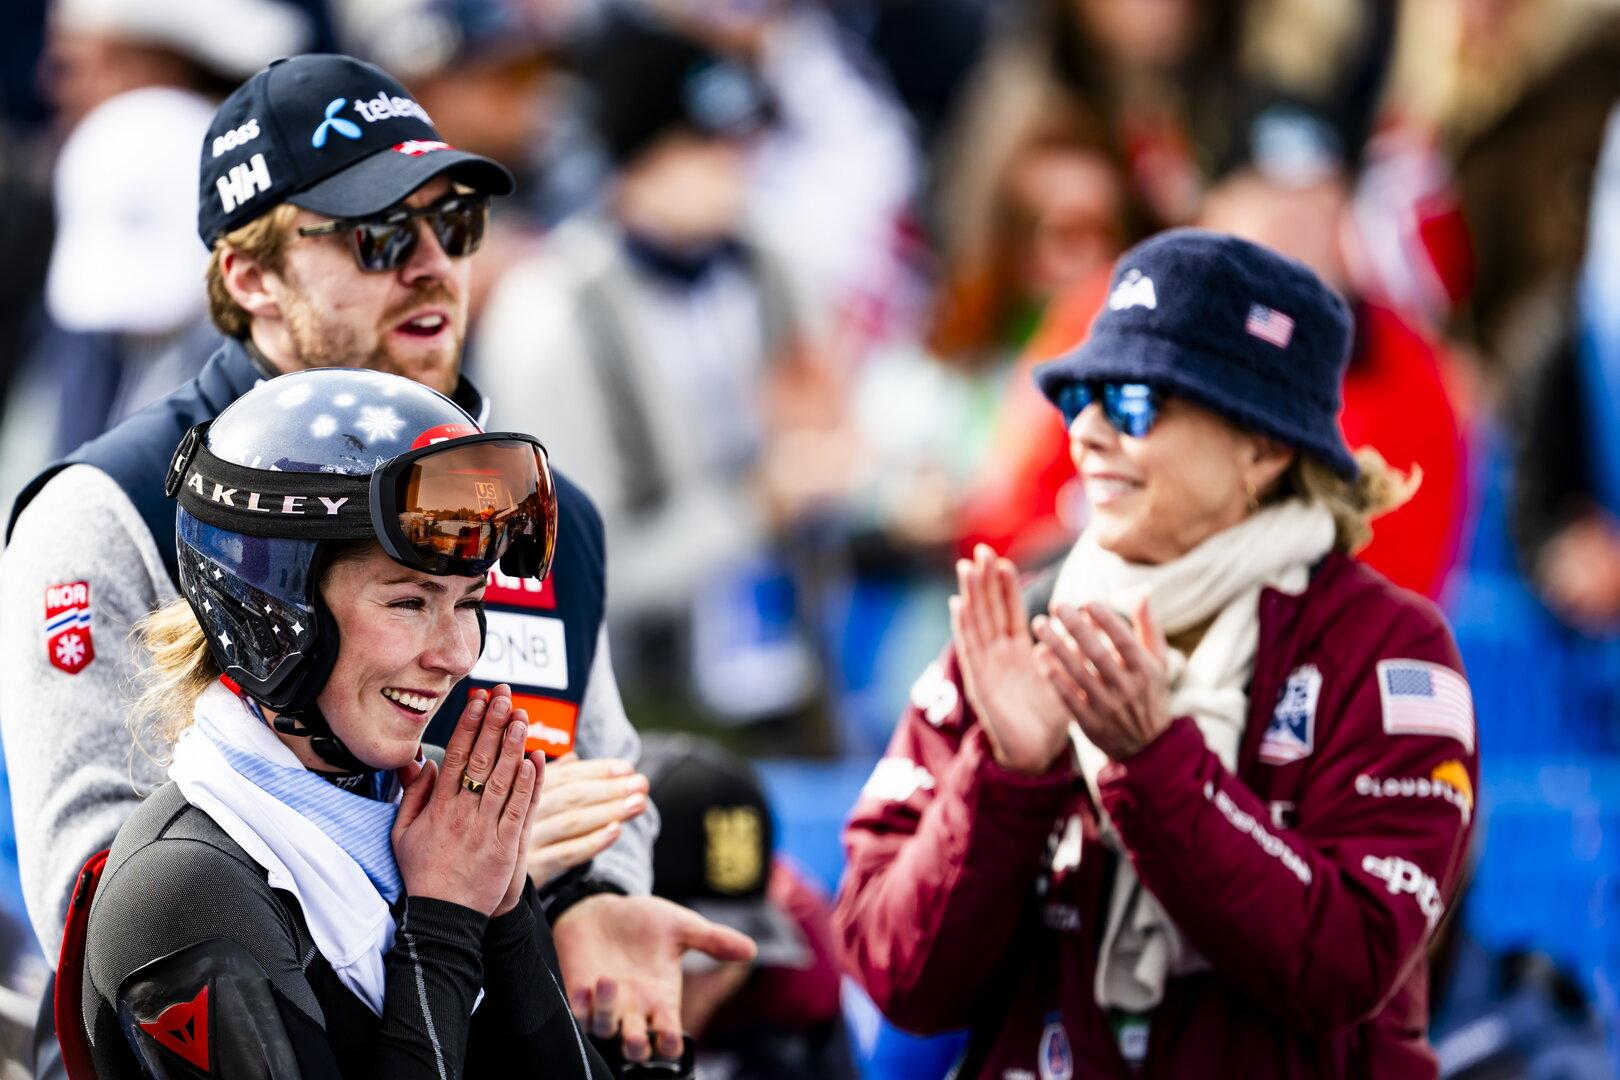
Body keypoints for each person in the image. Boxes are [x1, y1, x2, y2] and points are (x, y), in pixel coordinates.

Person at [0, 52, 747, 1074]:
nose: (434, 262)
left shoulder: (532, 503)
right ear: (249, 277)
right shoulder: (110, 506)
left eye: (457, 226)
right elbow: (103, 903)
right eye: (381, 235)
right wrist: (456, 884)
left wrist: (595, 905)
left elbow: (597, 784)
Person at [835, 230, 1478, 1077]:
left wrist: (1157, 764)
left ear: (1264, 447)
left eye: (1136, 402)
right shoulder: (1021, 625)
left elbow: (1348, 965)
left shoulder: (1387, 648)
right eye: (1082, 399)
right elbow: (901, 980)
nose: (1091, 433)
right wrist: (1007, 775)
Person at [77, 367, 612, 1077]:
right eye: (409, 604)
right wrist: (445, 923)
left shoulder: (423, 820)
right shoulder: (180, 891)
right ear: (269, 611)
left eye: (470, 603)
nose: (457, 655)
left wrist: (506, 907)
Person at [639, 734, 856, 1080]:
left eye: (730, 956)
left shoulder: (797, 988)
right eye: (689, 954)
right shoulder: (533, 961)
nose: (707, 981)